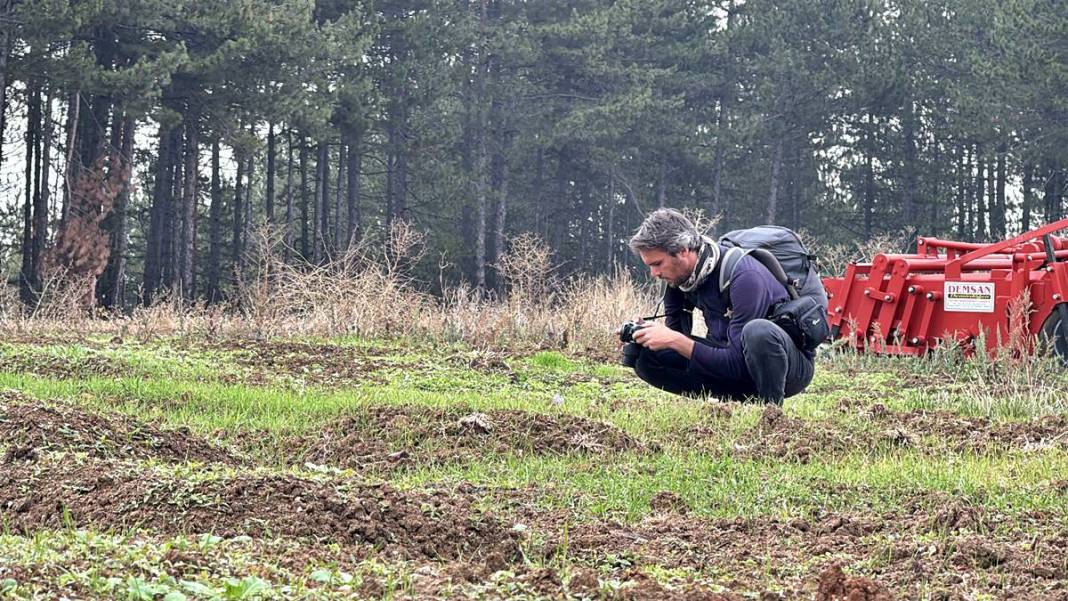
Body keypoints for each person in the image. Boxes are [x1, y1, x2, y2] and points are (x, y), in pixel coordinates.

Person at [626, 208, 814, 404]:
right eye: (649, 266)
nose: (654, 273)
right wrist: (645, 335)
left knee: (758, 332)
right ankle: (725, 404)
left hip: (784, 366)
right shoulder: (679, 280)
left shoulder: (745, 277)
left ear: (683, 250)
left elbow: (737, 362)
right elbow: (678, 346)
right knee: (645, 356)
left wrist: (675, 340)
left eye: (657, 264)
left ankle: (771, 412)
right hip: (732, 359)